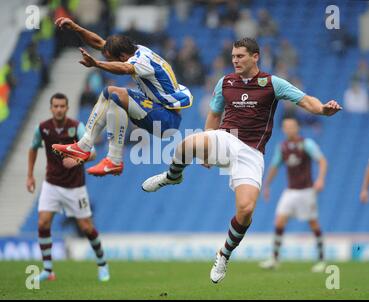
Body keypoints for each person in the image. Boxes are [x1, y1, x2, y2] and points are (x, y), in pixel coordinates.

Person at [141, 38, 341, 284]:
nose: (235, 60)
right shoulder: (225, 83)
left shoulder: (272, 83)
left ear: (255, 57)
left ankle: (224, 254)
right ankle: (172, 176)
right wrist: (205, 149)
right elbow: (214, 113)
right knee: (188, 144)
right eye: (233, 56)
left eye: (240, 56)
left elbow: (304, 100)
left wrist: (322, 109)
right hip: (227, 138)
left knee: (245, 210)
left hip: (252, 152)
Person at [52, 17, 193, 176]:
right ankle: (87, 148)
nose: (108, 60)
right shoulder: (136, 50)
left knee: (115, 93)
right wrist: (76, 27)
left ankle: (112, 159)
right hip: (159, 112)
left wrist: (97, 64)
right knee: (111, 96)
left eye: (110, 59)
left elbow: (125, 69)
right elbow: (99, 43)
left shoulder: (141, 61)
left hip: (167, 120)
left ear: (122, 56)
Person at [26, 93, 110, 282]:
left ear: (67, 107)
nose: (59, 109)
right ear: (51, 108)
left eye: (62, 106)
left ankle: (102, 263)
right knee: (42, 223)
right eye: (55, 106)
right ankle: (48, 269)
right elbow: (33, 148)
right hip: (52, 184)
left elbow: (93, 153)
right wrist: (30, 175)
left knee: (87, 228)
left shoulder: (76, 128)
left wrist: (78, 159)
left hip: (75, 187)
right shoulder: (43, 128)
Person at [259, 118, 327, 272]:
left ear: (297, 128)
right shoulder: (282, 147)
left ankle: (322, 260)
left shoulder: (306, 144)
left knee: (313, 223)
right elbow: (275, 166)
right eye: (285, 127)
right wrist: (267, 185)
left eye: (291, 126)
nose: (288, 129)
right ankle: (275, 259)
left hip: (306, 191)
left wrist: (320, 179)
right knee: (279, 222)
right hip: (290, 191)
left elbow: (322, 161)